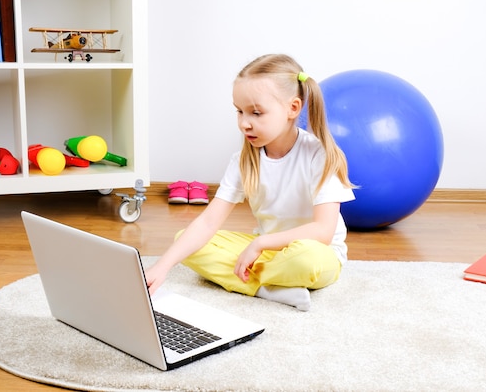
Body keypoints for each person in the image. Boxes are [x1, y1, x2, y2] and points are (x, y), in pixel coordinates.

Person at [145, 54, 355, 311]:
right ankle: (270, 289)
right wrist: (161, 266)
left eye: (256, 113)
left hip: (317, 253)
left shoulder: (318, 155)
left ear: (293, 108)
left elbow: (323, 231)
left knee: (305, 260)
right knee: (185, 242)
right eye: (239, 111)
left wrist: (259, 243)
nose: (244, 123)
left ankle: (254, 281)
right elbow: (209, 222)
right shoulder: (243, 160)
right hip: (268, 254)